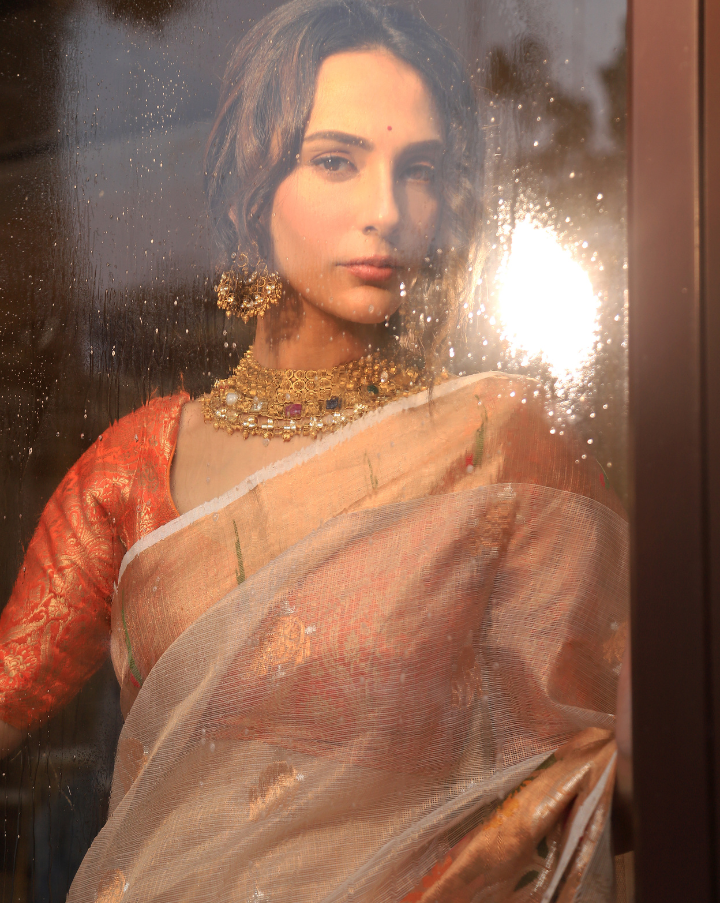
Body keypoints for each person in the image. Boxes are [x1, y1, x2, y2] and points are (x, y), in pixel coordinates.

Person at [0, 1, 632, 899]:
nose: (386, 210)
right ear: (246, 187)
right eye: (336, 161)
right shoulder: (137, 469)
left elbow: (587, 759)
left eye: (419, 171)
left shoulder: (495, 443)